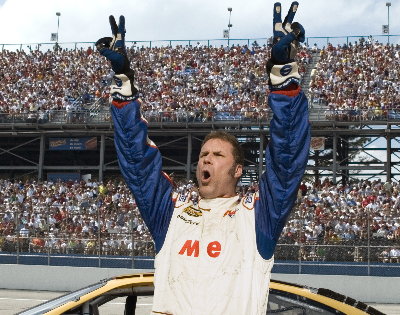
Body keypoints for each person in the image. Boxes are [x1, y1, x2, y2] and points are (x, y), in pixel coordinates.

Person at [96, 2, 310, 314]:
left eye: (217, 155)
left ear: (238, 170)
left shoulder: (258, 215)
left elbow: (287, 159)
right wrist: (123, 83)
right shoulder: (171, 212)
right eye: (203, 154)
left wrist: (282, 75)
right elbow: (137, 163)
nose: (206, 160)